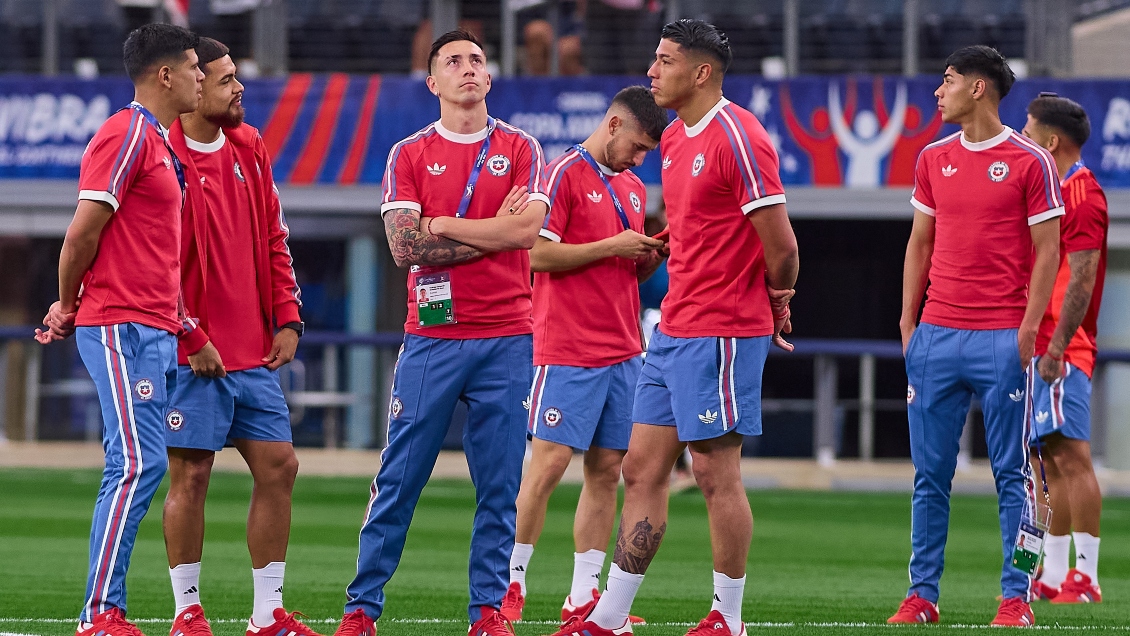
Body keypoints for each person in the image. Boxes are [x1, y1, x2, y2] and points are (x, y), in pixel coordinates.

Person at [548, 19, 799, 636]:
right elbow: (703, 229)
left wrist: (778, 300)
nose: (652, 72)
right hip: (673, 328)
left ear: (702, 72)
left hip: (722, 329)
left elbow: (783, 247)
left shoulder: (739, 136)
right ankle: (608, 616)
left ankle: (727, 617)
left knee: (715, 471)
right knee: (640, 468)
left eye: (663, 61)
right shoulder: (676, 141)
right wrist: (663, 247)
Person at [330, 29, 549, 636]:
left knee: (500, 484)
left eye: (477, 60)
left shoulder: (522, 147)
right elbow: (404, 249)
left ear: (490, 75)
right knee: (399, 478)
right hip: (433, 338)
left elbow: (525, 234)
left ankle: (487, 613)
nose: (469, 69)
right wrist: (490, 230)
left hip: (508, 334)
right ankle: (360, 610)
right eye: (453, 61)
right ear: (433, 83)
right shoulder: (407, 153)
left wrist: (447, 225)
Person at [33, 23, 203, 636]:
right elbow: (82, 232)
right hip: (121, 325)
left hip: (150, 328)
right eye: (193, 67)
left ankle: (105, 609)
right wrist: (67, 302)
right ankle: (100, 613)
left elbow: (148, 251)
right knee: (136, 462)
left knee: (139, 462)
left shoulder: (158, 142)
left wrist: (182, 327)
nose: (201, 77)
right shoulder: (127, 132)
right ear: (164, 75)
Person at [889, 45, 1063, 627]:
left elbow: (1049, 251)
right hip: (937, 335)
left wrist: (1029, 328)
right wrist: (909, 324)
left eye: (947, 81)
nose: (938, 92)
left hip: (1002, 339)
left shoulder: (1030, 161)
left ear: (978, 88)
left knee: (1013, 475)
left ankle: (1018, 596)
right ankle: (921, 596)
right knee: (928, 475)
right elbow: (919, 244)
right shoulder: (932, 159)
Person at [159, 37, 317, 636]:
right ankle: (187, 612)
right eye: (225, 80)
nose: (238, 89)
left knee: (280, 466)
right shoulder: (163, 156)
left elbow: (274, 237)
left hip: (252, 350)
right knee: (192, 475)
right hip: (192, 353)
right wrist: (189, 332)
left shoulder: (250, 146)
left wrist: (288, 317)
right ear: (195, 88)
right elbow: (155, 264)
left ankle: (266, 613)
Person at [498, 85, 667, 625]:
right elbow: (538, 255)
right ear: (614, 125)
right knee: (546, 468)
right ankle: (511, 584)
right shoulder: (561, 172)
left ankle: (583, 596)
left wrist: (646, 256)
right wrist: (614, 246)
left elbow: (623, 269)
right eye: (637, 146)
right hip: (568, 347)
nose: (640, 159)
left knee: (607, 471)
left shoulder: (635, 187)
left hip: (623, 349)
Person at [1021, 94, 1107, 604]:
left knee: (1071, 456)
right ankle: (1048, 575)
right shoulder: (1052, 192)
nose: (1022, 138)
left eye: (1029, 132)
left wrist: (1056, 346)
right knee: (1043, 462)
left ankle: (1087, 577)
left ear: (1052, 142)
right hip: (1042, 343)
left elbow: (1083, 278)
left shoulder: (1082, 193)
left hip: (1062, 345)